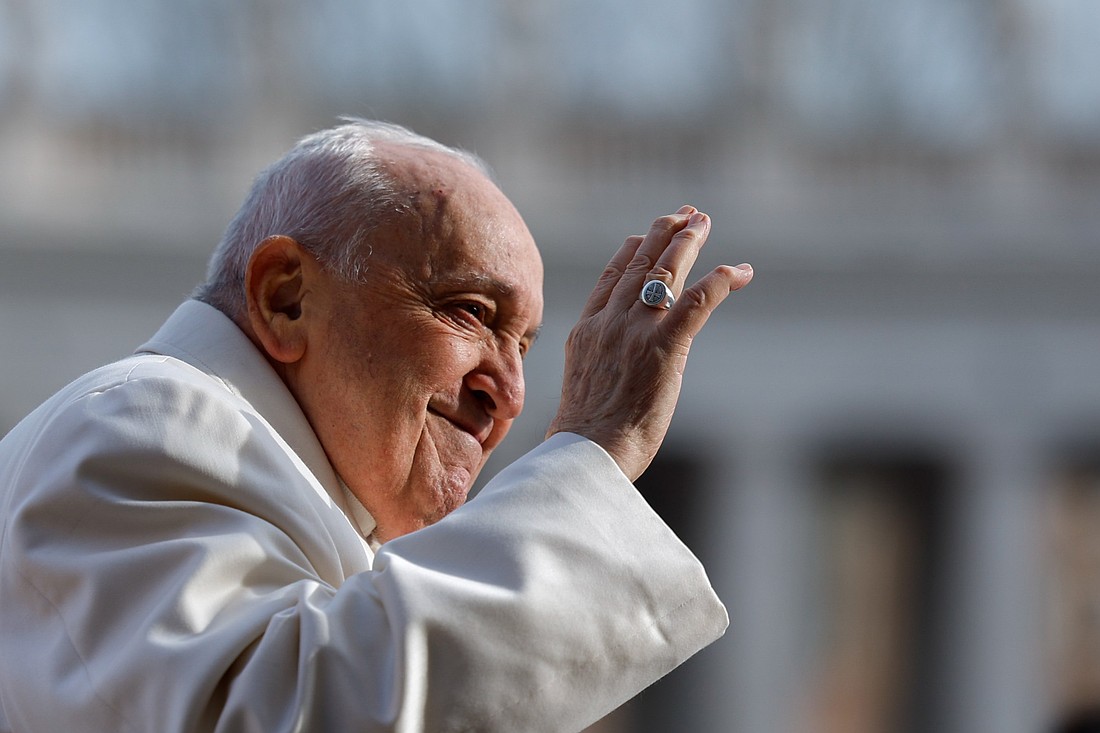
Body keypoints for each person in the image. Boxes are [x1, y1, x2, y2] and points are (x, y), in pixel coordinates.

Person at [0, 119, 754, 732]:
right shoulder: (145, 420)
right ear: (286, 297)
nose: (512, 391)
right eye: (470, 313)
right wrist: (594, 449)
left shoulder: (300, 498)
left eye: (522, 346)